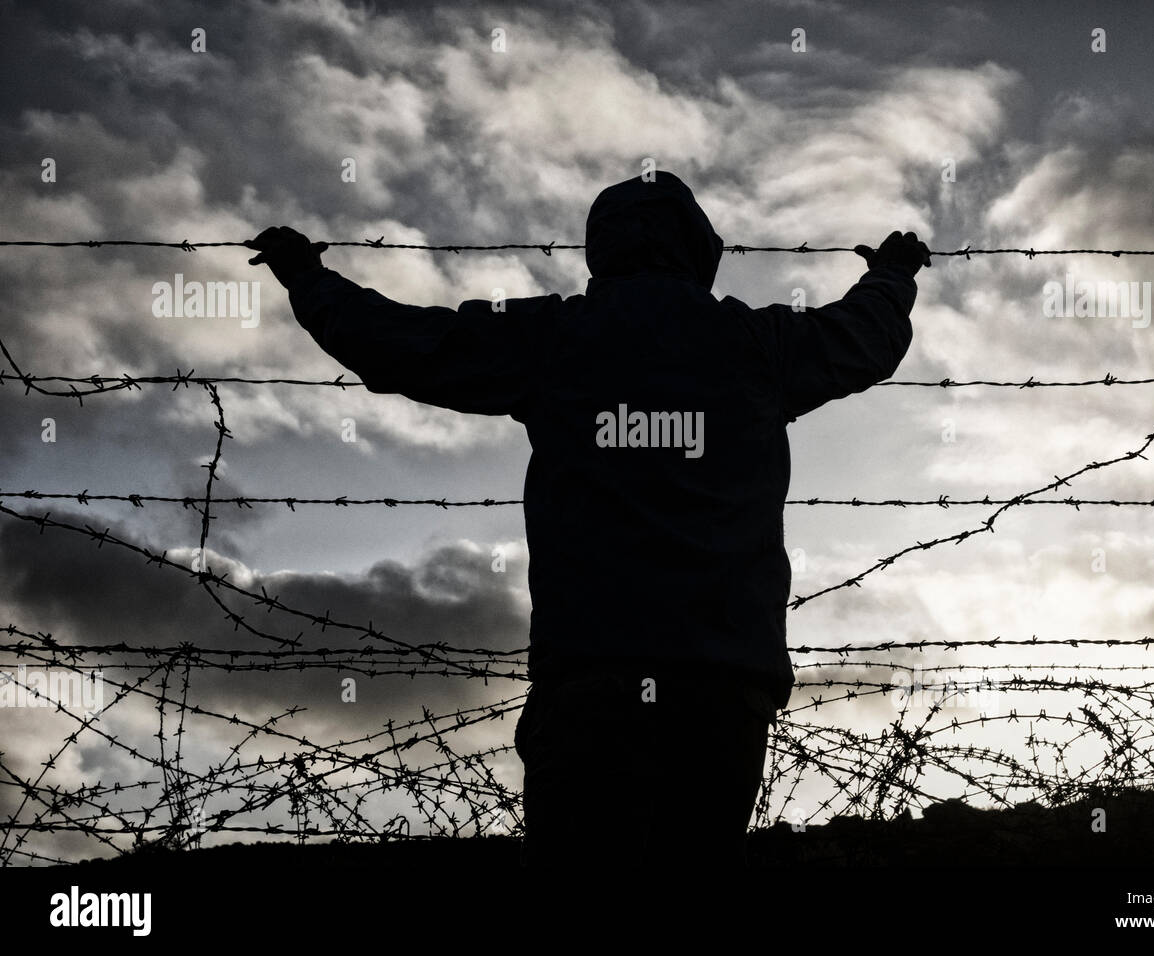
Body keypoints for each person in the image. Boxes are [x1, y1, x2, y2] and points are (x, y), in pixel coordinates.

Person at [248, 171, 929, 868]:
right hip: (723, 685)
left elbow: (402, 342)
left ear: (600, 250)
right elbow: (862, 337)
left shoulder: (553, 338)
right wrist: (892, 275)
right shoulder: (758, 344)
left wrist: (308, 279)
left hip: (592, 680)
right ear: (699, 248)